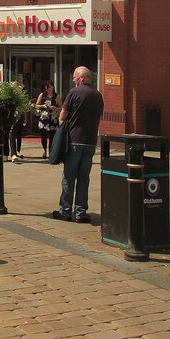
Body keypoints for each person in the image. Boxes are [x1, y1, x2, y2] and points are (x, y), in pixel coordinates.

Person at [52, 66, 103, 224]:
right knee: (84, 178)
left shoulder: (74, 92)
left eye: (74, 77)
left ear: (82, 78)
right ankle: (81, 213)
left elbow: (63, 115)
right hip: (90, 142)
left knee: (69, 176)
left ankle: (65, 211)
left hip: (74, 140)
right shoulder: (98, 95)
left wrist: (62, 126)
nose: (73, 79)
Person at [35, 81, 60, 159]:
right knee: (43, 136)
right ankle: (44, 150)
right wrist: (43, 106)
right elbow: (37, 105)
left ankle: (51, 152)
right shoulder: (42, 95)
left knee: (52, 137)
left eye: (50, 87)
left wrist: (55, 108)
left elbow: (61, 107)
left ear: (53, 87)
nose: (49, 89)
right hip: (44, 118)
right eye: (47, 87)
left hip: (53, 118)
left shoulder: (56, 96)